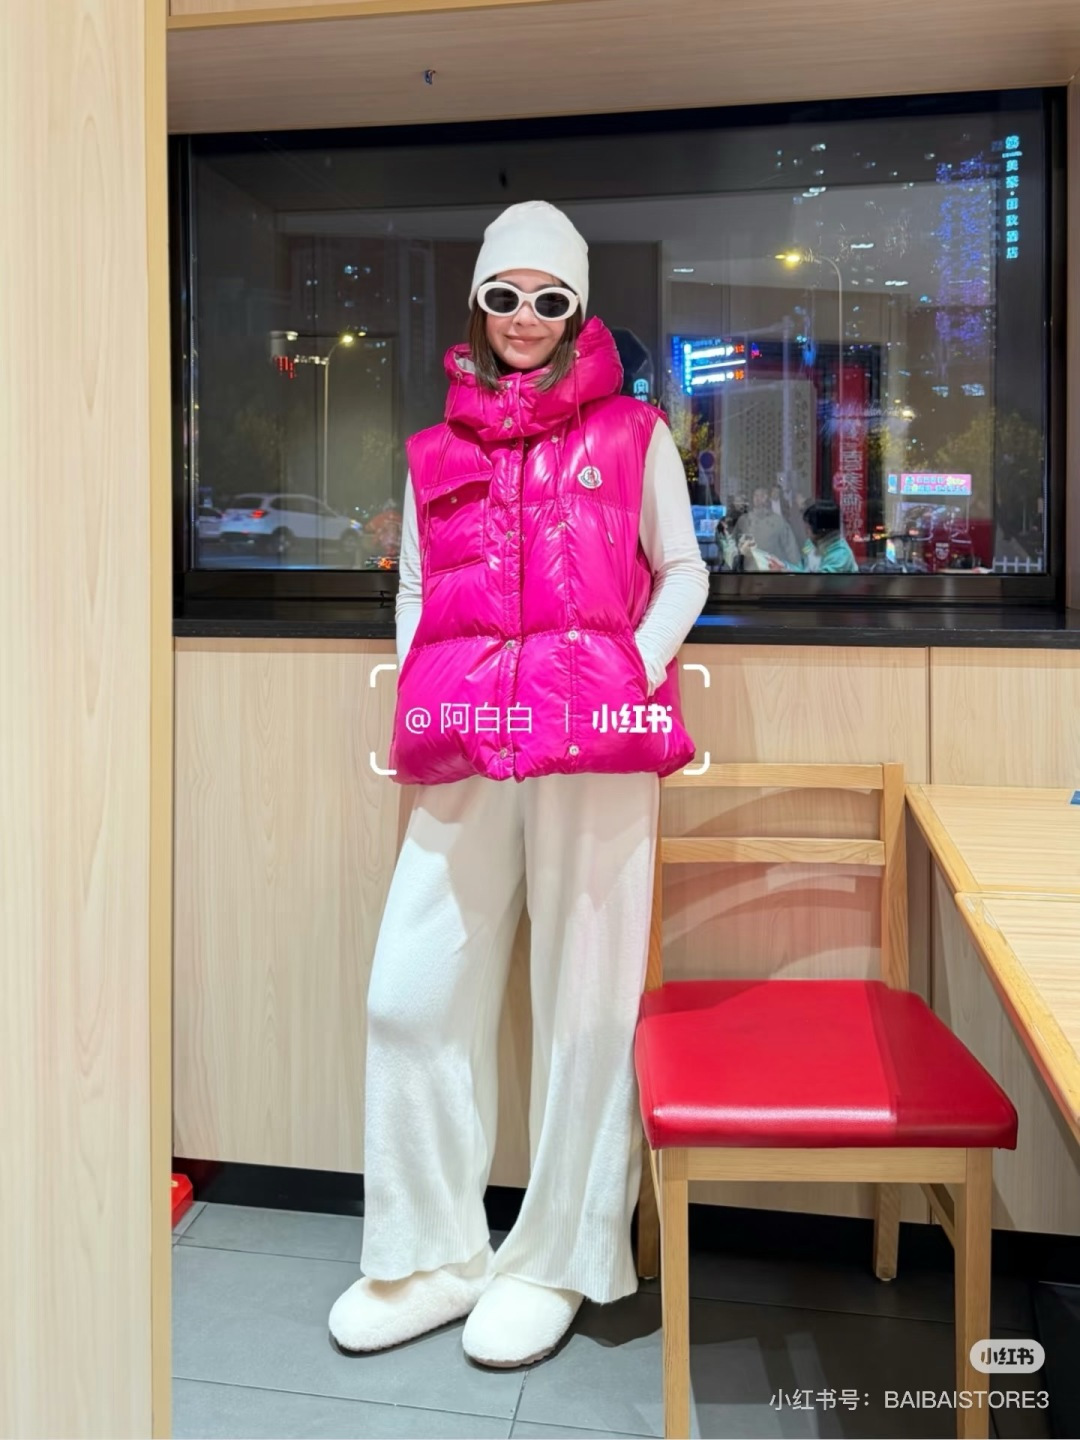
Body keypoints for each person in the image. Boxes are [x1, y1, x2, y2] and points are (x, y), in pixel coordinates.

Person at [327, 200, 710, 1368]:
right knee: (408, 992)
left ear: (577, 308)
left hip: (595, 745)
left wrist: (628, 672)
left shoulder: (634, 431)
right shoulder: (433, 450)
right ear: (480, 305)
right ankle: (431, 1253)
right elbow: (414, 589)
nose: (527, 317)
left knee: (585, 1002)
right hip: (467, 738)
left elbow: (683, 571)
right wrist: (419, 695)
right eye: (507, 295)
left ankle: (557, 1258)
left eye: (551, 298)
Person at [752, 497, 859, 572]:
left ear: (822, 530)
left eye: (808, 529)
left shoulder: (840, 554)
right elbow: (803, 569)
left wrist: (785, 570)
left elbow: (819, 584)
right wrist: (783, 566)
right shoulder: (811, 544)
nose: (806, 532)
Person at [733, 485, 801, 568]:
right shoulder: (744, 520)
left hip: (771, 570)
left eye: (762, 496)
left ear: (768, 498)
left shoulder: (778, 521)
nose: (758, 499)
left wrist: (796, 569)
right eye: (756, 495)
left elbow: (791, 548)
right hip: (750, 569)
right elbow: (733, 544)